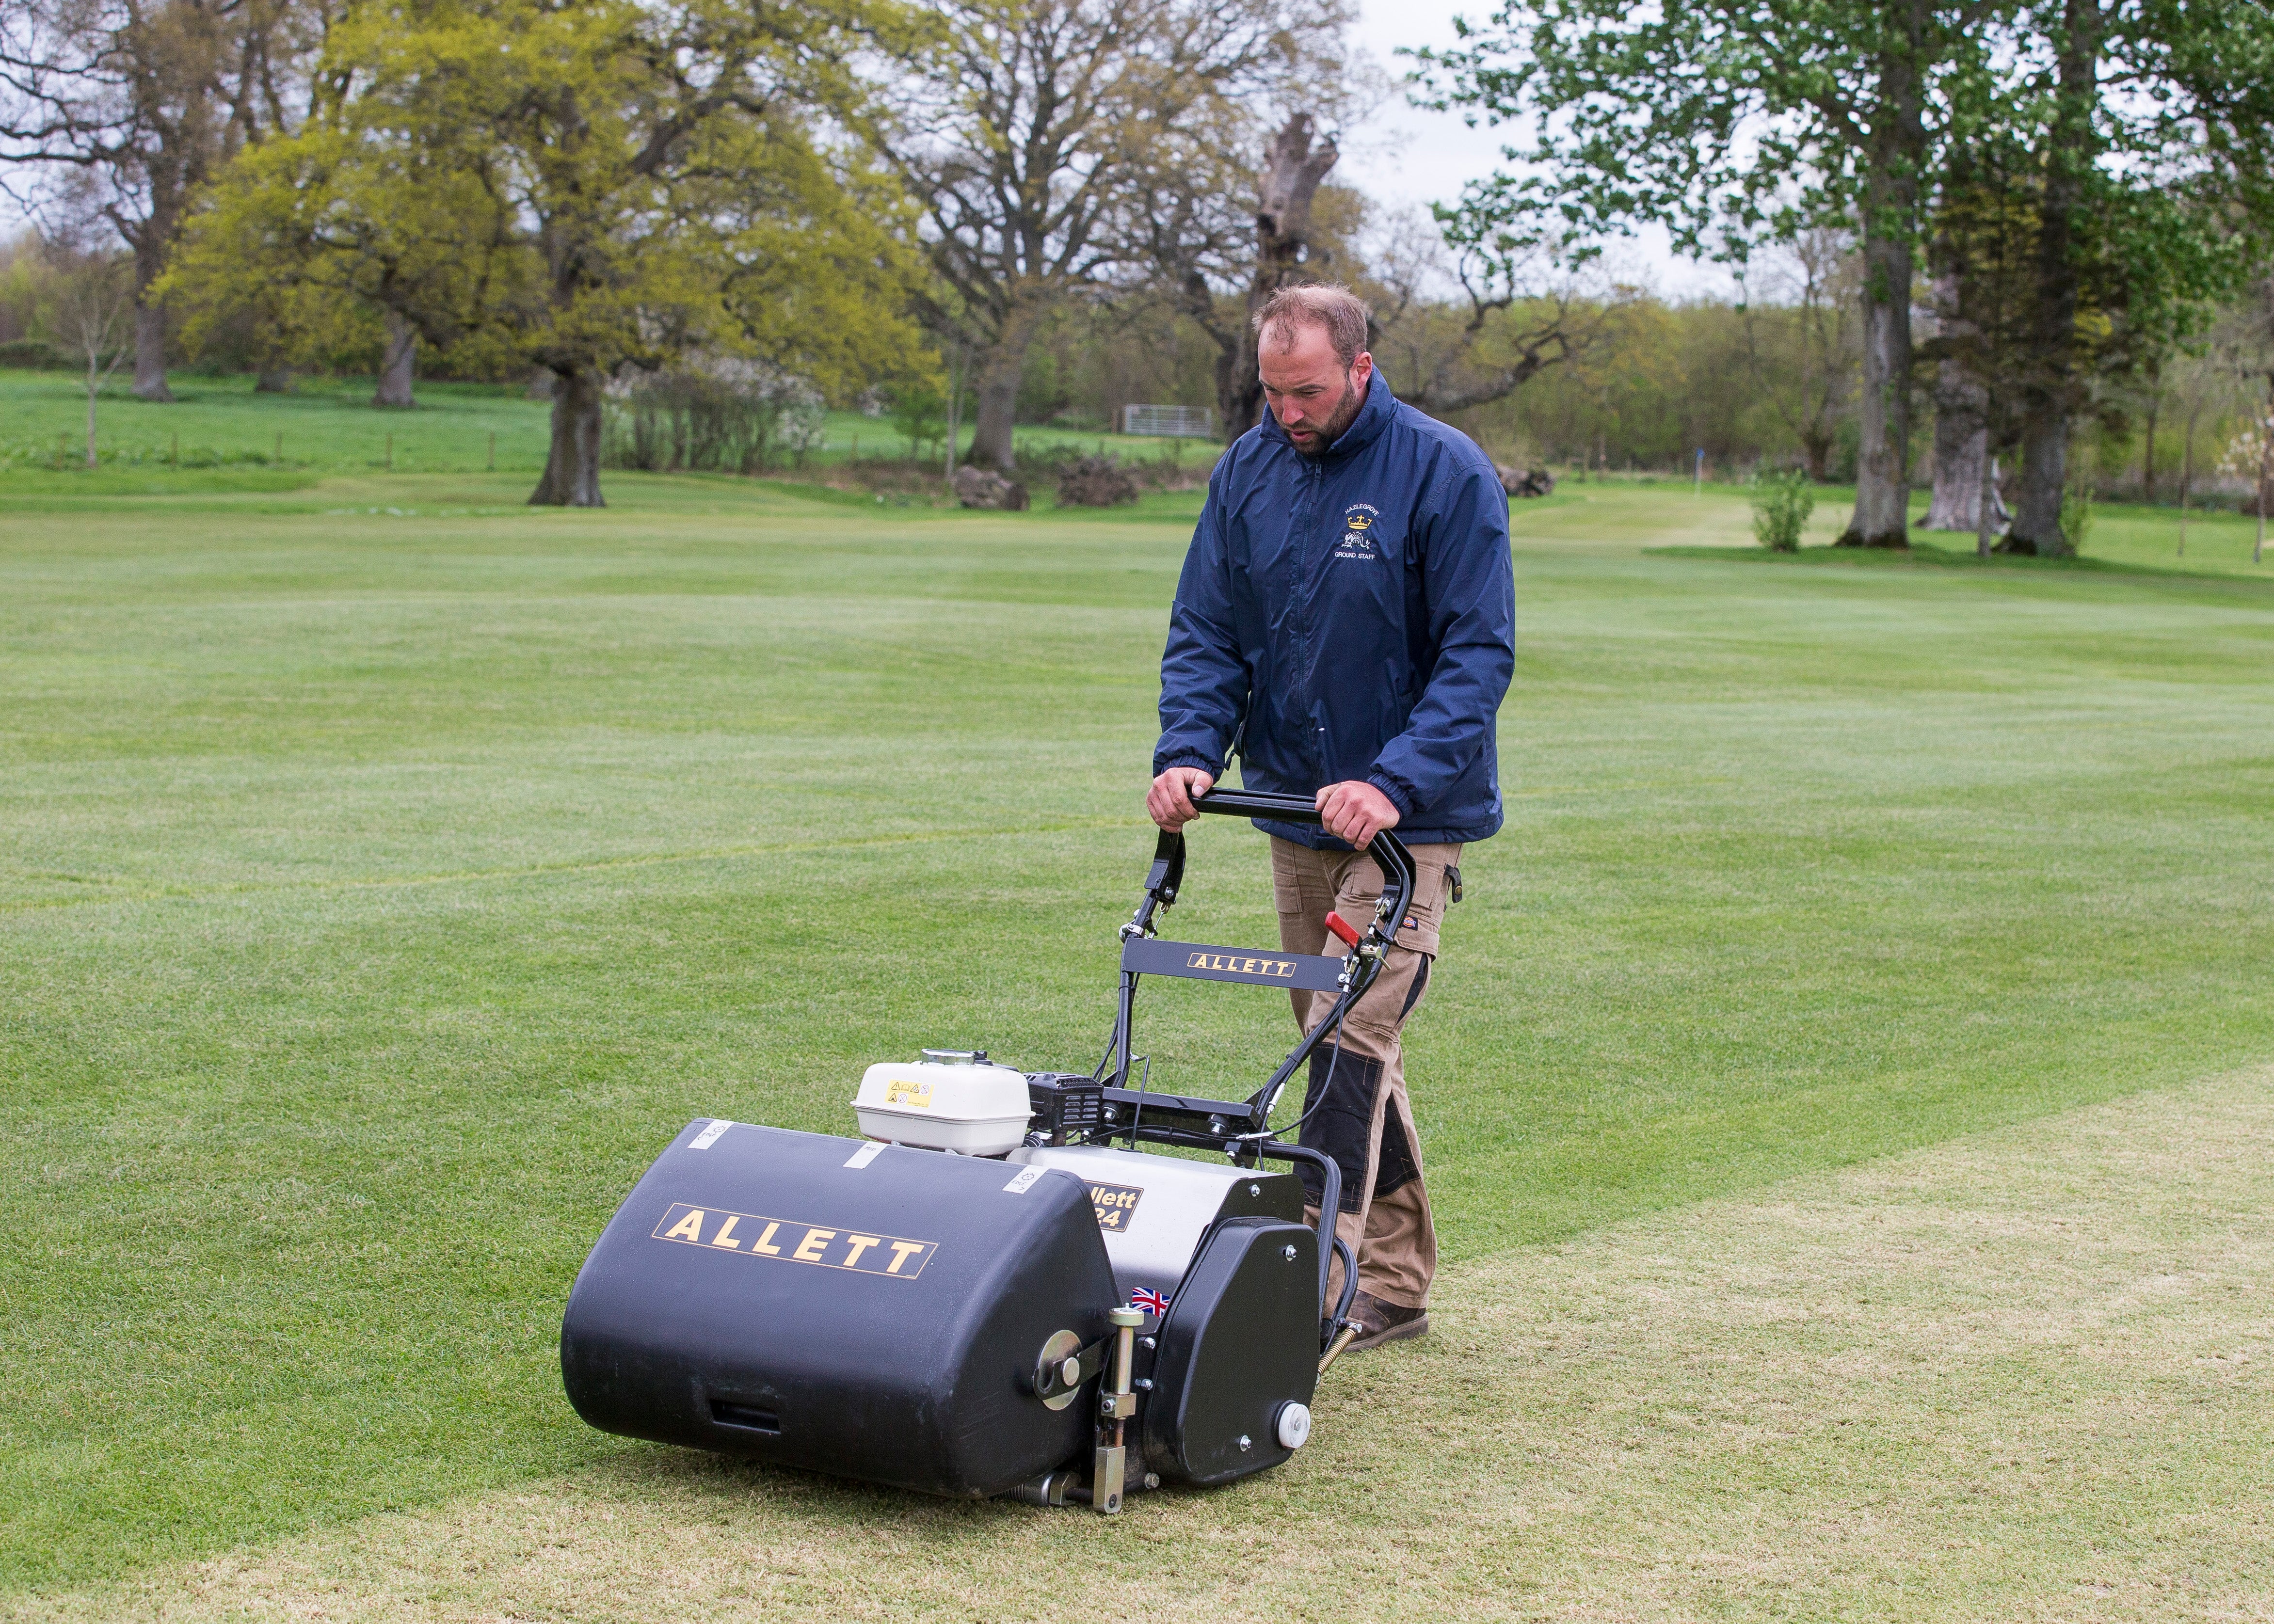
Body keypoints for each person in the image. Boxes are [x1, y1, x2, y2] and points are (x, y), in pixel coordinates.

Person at [1146, 284, 1515, 1351]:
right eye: (1269, 391)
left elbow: (1475, 653)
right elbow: (1207, 631)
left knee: (1349, 1039)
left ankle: (1299, 1300)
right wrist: (1185, 752)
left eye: (1305, 391)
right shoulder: (1249, 468)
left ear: (1360, 367)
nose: (1286, 411)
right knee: (1332, 1033)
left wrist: (1392, 780)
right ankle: (1393, 1281)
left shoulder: (1441, 470)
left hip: (1409, 820)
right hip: (1292, 807)